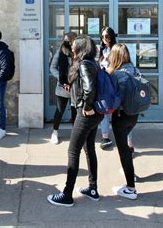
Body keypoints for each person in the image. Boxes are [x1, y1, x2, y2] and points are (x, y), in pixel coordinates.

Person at [47, 35, 103, 207]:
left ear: (81, 48)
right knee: (89, 149)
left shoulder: (85, 64)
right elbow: (86, 85)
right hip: (95, 114)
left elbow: (90, 88)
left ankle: (67, 195)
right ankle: (92, 189)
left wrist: (86, 107)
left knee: (73, 151)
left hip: (86, 114)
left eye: (74, 45)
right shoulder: (92, 62)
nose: (71, 47)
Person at [107, 44, 140, 200]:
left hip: (121, 116)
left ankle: (130, 188)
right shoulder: (134, 69)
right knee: (126, 146)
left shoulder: (117, 74)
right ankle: (130, 173)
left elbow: (113, 99)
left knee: (123, 151)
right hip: (134, 115)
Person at [49, 32, 77, 144]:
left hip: (76, 87)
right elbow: (53, 68)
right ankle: (54, 132)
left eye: (70, 41)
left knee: (75, 111)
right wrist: (61, 79)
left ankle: (75, 135)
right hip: (63, 87)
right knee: (60, 110)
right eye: (66, 41)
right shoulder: (59, 53)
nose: (68, 43)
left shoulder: (78, 53)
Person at [98, 27, 117, 150]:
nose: (105, 39)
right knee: (104, 109)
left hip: (114, 82)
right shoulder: (101, 50)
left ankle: (126, 140)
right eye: (103, 37)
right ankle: (105, 137)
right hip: (104, 83)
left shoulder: (116, 49)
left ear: (111, 37)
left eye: (107, 36)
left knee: (117, 110)